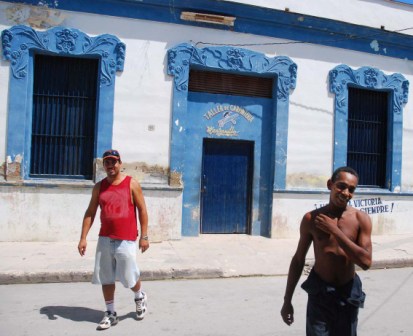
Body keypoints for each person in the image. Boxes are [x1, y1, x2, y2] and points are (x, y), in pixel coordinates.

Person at [281, 166, 372, 336]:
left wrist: (335, 231)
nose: (346, 193)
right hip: (320, 292)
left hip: (348, 293)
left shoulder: (361, 219)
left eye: (351, 189)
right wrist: (287, 300)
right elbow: (298, 260)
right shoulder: (311, 219)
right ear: (330, 184)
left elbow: (366, 262)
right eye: (341, 186)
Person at [78, 149, 149, 330]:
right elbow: (90, 212)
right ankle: (110, 312)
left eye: (113, 162)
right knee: (106, 277)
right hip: (105, 238)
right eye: (107, 162)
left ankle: (139, 296)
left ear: (120, 163)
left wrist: (145, 236)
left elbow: (142, 210)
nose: (110, 166)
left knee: (129, 277)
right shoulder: (99, 187)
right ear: (104, 165)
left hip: (126, 239)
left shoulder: (131, 184)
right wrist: (83, 238)